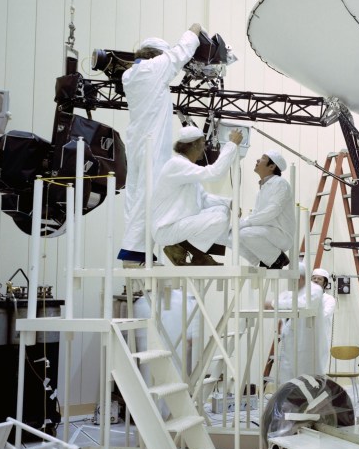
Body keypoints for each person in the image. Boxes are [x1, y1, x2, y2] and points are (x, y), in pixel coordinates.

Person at [117, 23, 203, 267]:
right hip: (151, 143)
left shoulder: (131, 74)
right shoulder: (154, 68)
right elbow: (179, 53)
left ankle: (140, 251)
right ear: (157, 55)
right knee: (149, 192)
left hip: (138, 142)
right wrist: (194, 31)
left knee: (136, 194)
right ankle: (134, 254)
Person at [153, 125, 243, 266]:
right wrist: (231, 145)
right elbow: (215, 173)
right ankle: (188, 251)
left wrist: (230, 203)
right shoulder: (176, 164)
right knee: (219, 217)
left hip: (178, 226)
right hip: (167, 228)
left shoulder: (185, 167)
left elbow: (203, 198)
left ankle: (192, 253)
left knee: (222, 210)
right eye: (202, 143)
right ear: (194, 144)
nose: (205, 147)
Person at [265, 263, 324, 382]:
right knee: (288, 375)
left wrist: (273, 304)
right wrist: (272, 303)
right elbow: (282, 300)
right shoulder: (291, 291)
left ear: (300, 278)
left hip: (307, 342)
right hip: (290, 341)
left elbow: (301, 304)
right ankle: (288, 399)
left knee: (306, 377)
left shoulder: (315, 290)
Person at [238, 150, 295, 269]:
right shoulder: (262, 189)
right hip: (266, 231)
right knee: (231, 234)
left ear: (272, 166)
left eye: (262, 158)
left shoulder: (280, 183)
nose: (257, 160)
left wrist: (246, 222)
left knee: (243, 232)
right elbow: (257, 213)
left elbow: (273, 210)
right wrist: (240, 223)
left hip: (280, 233)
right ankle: (266, 259)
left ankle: (278, 259)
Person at [311, 268, 336, 372]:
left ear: (325, 283)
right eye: (314, 278)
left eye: (319, 279)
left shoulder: (329, 299)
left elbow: (324, 315)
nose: (316, 280)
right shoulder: (305, 297)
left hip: (321, 338)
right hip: (304, 338)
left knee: (318, 368)